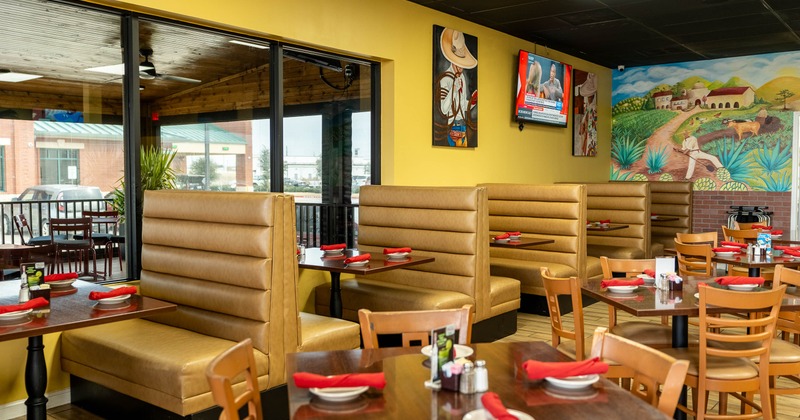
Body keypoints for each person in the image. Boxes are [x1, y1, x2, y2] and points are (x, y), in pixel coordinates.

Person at [437, 28, 478, 147]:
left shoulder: (462, 78)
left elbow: (462, 106)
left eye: (462, 65)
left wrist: (472, 102)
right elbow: (444, 109)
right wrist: (454, 90)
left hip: (462, 125)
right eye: (458, 65)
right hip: (453, 126)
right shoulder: (445, 79)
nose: (460, 69)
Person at [575, 72, 597, 156]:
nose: (588, 97)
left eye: (590, 96)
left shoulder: (593, 108)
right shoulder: (589, 109)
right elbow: (581, 131)